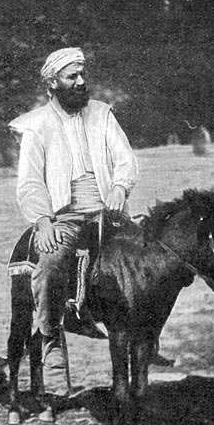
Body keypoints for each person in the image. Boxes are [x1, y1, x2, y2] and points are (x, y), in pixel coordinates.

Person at [8, 47, 139, 396]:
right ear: (53, 83)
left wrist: (120, 187)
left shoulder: (102, 114)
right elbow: (31, 181)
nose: (81, 82)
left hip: (107, 211)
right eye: (72, 77)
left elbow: (125, 158)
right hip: (64, 216)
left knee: (152, 256)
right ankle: (51, 341)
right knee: (50, 264)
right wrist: (42, 221)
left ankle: (147, 338)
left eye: (82, 75)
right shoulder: (37, 125)